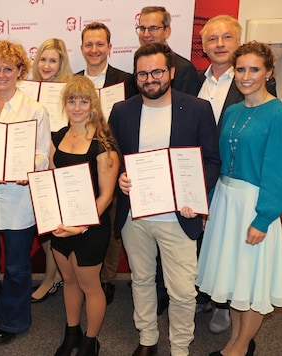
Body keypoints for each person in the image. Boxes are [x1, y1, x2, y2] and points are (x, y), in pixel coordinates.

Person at [109, 43, 220, 356]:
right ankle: (147, 339)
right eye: (142, 73)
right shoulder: (122, 110)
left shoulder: (197, 109)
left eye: (157, 71)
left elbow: (212, 161)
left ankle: (181, 347)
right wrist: (119, 177)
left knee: (183, 292)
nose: (150, 78)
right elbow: (113, 157)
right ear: (136, 77)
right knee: (142, 281)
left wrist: (194, 195)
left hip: (179, 216)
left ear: (171, 72)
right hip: (136, 216)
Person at [197, 41, 282, 356]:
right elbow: (219, 160)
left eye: (254, 69)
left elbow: (279, 171)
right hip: (225, 202)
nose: (245, 76)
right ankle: (237, 343)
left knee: (252, 282)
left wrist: (263, 217)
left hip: (254, 205)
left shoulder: (279, 114)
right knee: (235, 280)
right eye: (240, 69)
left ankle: (236, 350)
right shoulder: (233, 111)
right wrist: (207, 201)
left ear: (268, 72)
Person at [0, 40, 51, 345]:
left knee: (16, 266)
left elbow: (43, 154)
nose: (1, 74)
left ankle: (14, 321)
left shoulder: (35, 110)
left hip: (18, 201)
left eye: (8, 68)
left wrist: (23, 169)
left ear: (20, 71)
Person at [50, 76, 119, 356]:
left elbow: (106, 196)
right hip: (60, 225)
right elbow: (50, 181)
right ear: (64, 103)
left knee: (90, 286)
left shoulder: (103, 144)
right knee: (69, 281)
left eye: (83, 100)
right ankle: (72, 333)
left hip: (89, 228)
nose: (77, 107)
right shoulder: (57, 137)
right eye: (71, 100)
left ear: (93, 104)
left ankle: (90, 341)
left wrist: (80, 227)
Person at [76, 22, 133, 305]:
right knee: (81, 218)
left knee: (110, 224)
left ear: (109, 48)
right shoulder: (71, 81)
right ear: (82, 48)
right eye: (89, 44)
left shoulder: (128, 80)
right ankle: (82, 275)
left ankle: (107, 278)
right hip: (79, 164)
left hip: (114, 162)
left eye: (100, 44)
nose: (94, 49)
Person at [29, 37, 73, 304]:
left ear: (61, 63)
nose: (47, 65)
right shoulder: (27, 89)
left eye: (53, 60)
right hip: (36, 164)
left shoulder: (69, 91)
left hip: (60, 163)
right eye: (43, 59)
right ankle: (53, 275)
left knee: (57, 224)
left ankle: (52, 278)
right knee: (43, 224)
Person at [134, 6, 201, 96]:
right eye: (142, 28)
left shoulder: (184, 69)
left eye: (153, 28)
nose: (146, 34)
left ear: (167, 31)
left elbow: (185, 106)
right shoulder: (139, 64)